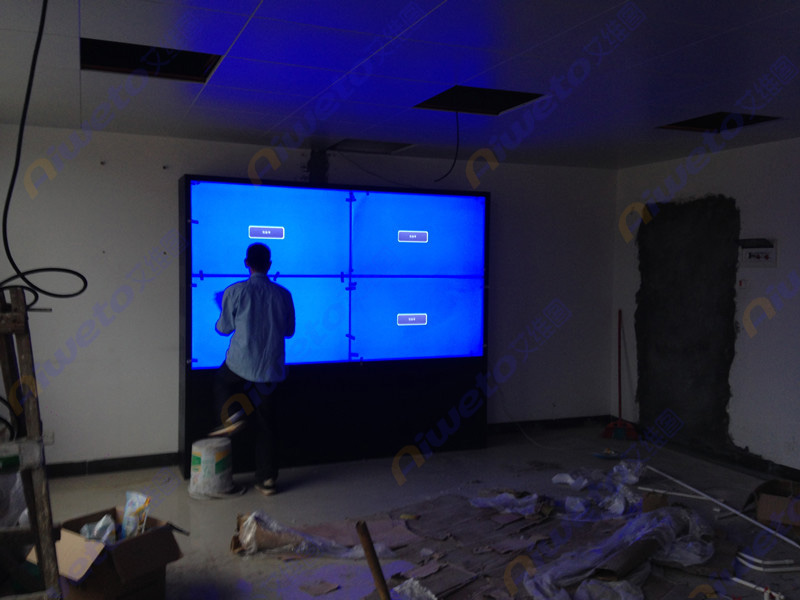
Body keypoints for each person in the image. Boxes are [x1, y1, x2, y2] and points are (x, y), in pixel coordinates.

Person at [212, 243, 295, 496]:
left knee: (221, 381)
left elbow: (223, 329)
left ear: (246, 263)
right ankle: (267, 480)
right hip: (270, 369)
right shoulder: (283, 294)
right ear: (269, 265)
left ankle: (232, 417)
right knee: (267, 424)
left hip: (240, 363)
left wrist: (221, 307)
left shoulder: (234, 291)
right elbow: (289, 331)